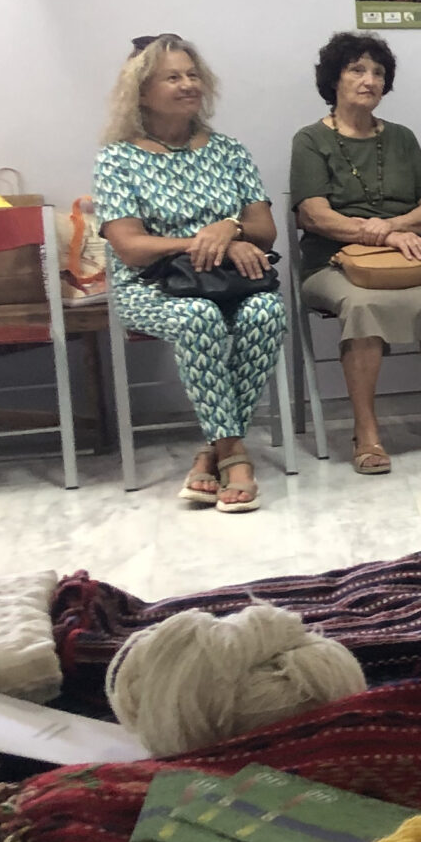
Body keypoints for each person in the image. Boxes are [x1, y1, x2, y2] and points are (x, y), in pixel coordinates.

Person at [93, 34, 288, 513]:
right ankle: (234, 455)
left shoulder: (229, 151)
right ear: (141, 92)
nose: (188, 85)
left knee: (267, 311)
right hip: (151, 286)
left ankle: (211, 453)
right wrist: (204, 241)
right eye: (173, 77)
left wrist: (231, 228)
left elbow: (265, 230)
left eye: (193, 75)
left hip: (231, 281)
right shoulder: (117, 159)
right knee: (198, 316)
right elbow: (130, 247)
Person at [288, 31, 421, 474]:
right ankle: (366, 431)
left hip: (406, 261)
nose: (369, 80)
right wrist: (385, 237)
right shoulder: (310, 140)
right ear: (334, 79)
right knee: (362, 304)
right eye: (357, 70)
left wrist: (392, 226)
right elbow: (314, 215)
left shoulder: (402, 138)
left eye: (377, 72)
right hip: (332, 263)